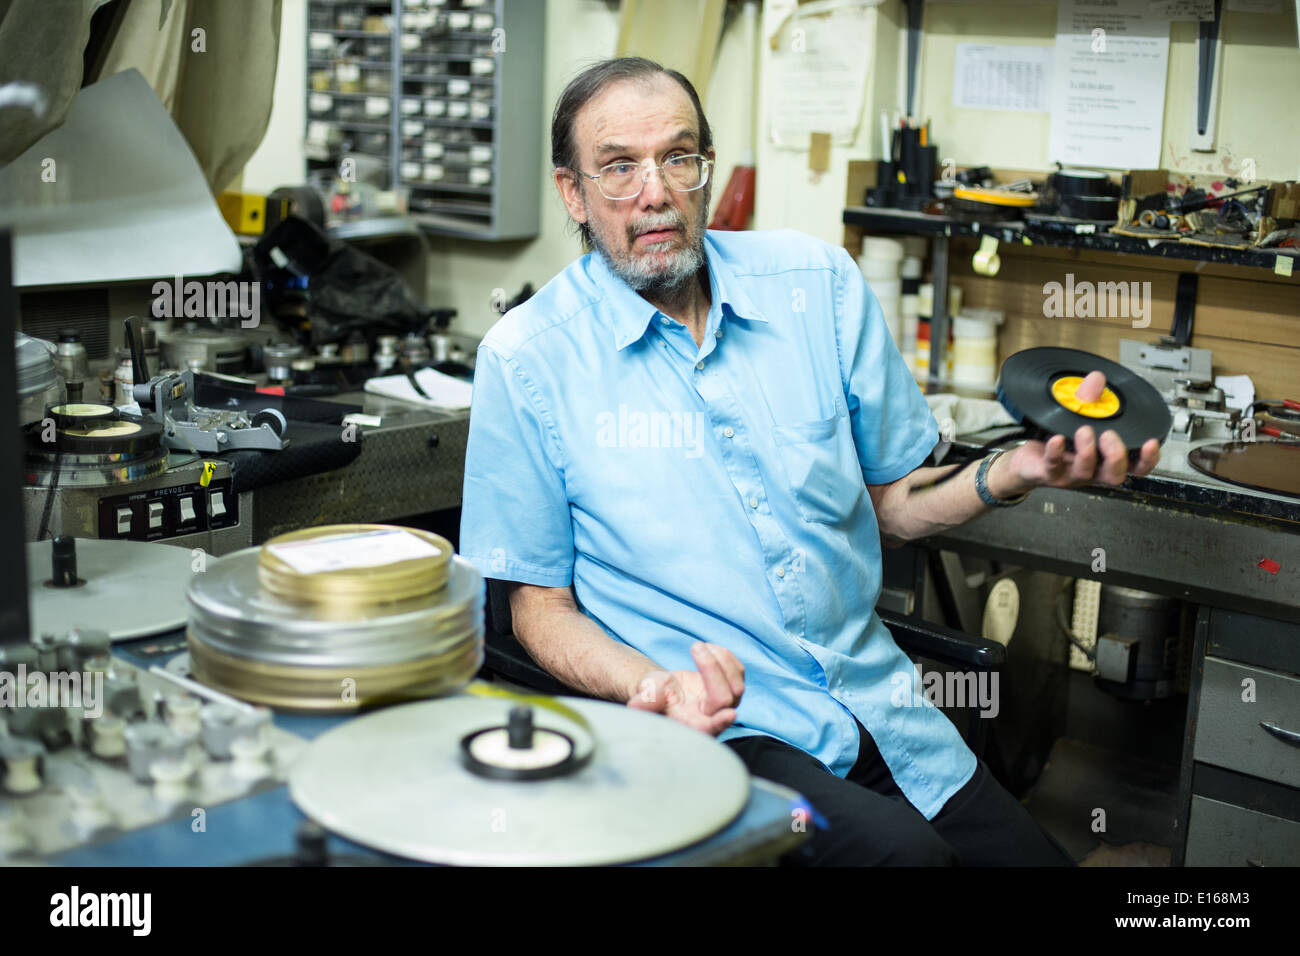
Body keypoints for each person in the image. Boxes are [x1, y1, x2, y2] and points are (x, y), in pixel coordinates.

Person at [459, 57, 1161, 865]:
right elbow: (536, 610)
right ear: (574, 193)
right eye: (618, 168)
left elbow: (893, 504)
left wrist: (1008, 474)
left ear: (705, 170)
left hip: (886, 709)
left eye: (678, 158)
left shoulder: (817, 285)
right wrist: (651, 687)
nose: (654, 192)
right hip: (726, 733)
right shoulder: (527, 360)